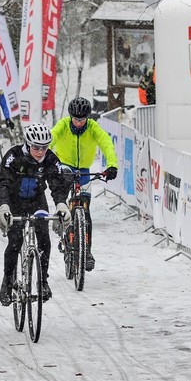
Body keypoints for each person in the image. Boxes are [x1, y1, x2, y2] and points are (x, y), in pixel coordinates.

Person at [0, 123, 70, 306]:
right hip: (15, 202)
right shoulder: (13, 156)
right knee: (15, 241)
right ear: (28, 144)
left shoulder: (50, 159)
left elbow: (57, 184)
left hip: (37, 200)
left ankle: (43, 281)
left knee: (44, 238)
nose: (40, 152)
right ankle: (7, 282)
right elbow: (4, 183)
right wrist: (3, 207)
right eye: (36, 147)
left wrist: (61, 205)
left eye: (44, 147)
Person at [50, 97, 119, 271]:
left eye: (82, 119)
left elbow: (106, 144)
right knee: (62, 199)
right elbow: (51, 139)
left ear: (87, 118)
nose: (79, 123)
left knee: (85, 211)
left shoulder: (93, 127)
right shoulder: (63, 125)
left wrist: (112, 165)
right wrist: (42, 160)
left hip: (84, 170)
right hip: (64, 165)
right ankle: (62, 225)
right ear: (71, 116)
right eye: (76, 119)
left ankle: (86, 250)